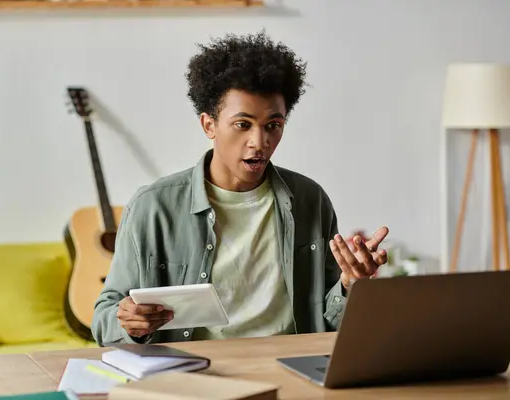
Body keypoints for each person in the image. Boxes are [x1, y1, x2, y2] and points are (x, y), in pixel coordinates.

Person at [91, 31, 389, 346]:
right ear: (209, 125)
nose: (260, 143)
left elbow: (327, 322)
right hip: (197, 372)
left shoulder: (309, 200)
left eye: (273, 125)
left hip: (291, 363)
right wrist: (130, 323)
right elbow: (103, 321)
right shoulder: (153, 206)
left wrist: (350, 284)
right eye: (242, 124)